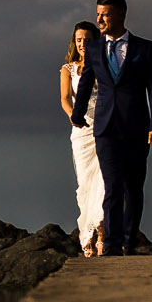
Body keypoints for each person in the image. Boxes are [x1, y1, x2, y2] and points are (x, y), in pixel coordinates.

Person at [69, 0, 152, 255]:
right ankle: (110, 244)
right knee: (111, 186)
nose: (99, 19)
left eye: (105, 14)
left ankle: (129, 241)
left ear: (120, 15)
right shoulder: (95, 48)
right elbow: (87, 81)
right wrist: (77, 116)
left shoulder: (144, 48)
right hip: (105, 127)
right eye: (98, 14)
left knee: (133, 187)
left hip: (136, 127)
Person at [59, 21, 103, 257]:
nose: (82, 43)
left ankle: (102, 232)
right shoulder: (69, 69)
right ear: (74, 42)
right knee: (85, 184)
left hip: (105, 128)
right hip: (82, 130)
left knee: (105, 181)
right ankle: (87, 234)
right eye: (79, 39)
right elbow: (65, 98)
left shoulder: (103, 65)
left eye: (87, 39)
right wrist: (72, 116)